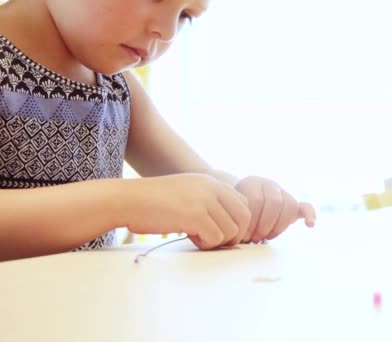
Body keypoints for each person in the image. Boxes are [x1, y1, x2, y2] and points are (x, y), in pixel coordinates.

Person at [0, 0, 316, 261]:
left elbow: (200, 179)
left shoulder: (117, 87)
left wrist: (247, 196)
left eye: (185, 16)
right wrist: (124, 202)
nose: (166, 32)